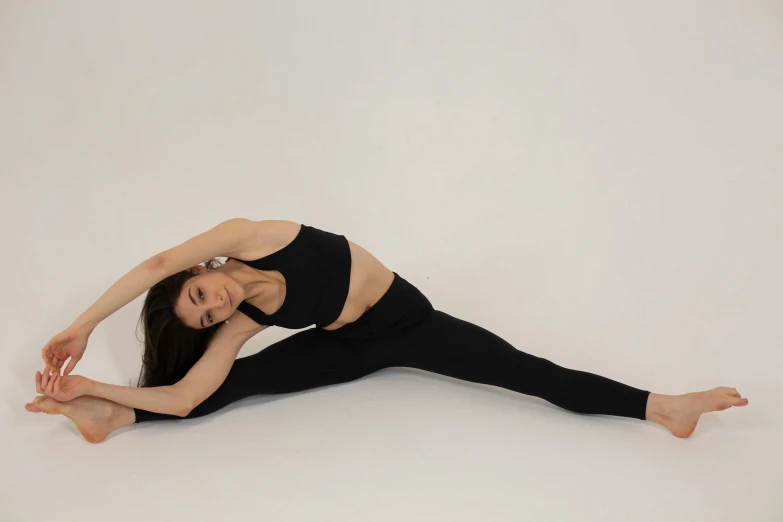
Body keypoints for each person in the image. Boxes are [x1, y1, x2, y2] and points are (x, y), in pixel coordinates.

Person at [25, 218, 748, 443]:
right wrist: (89, 384)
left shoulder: (254, 235)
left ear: (197, 271)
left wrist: (83, 325)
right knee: (226, 385)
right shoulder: (245, 319)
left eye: (198, 296)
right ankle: (112, 412)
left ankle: (663, 408)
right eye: (206, 317)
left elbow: (154, 259)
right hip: (347, 349)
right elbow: (186, 396)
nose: (213, 307)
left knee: (527, 372)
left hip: (411, 329)